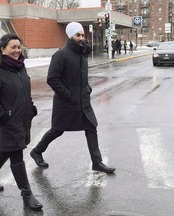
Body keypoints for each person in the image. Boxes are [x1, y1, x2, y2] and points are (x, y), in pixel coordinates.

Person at [30, 22, 116, 174]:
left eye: (82, 35)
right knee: (57, 130)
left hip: (83, 101)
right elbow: (52, 79)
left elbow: (82, 77)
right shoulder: (61, 55)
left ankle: (97, 162)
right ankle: (36, 151)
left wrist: (87, 90)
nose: (81, 38)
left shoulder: (82, 54)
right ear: (70, 35)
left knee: (91, 127)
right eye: (78, 35)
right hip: (66, 103)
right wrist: (68, 95)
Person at [0, 33, 43, 211]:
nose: (17, 51)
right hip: (6, 121)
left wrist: (30, 108)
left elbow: (25, 91)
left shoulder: (20, 67)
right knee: (16, 154)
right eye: (13, 47)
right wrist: (3, 116)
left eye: (18, 47)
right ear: (2, 49)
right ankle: (27, 195)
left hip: (22, 118)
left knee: (4, 150)